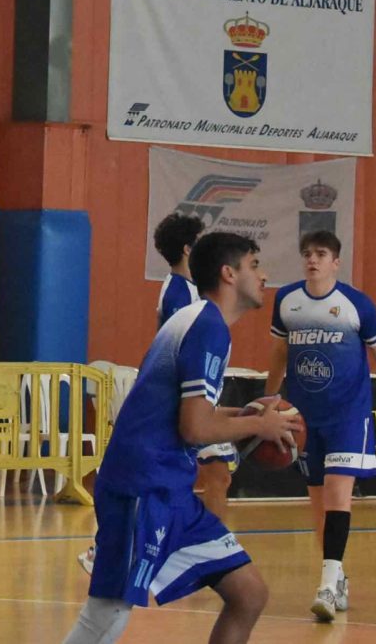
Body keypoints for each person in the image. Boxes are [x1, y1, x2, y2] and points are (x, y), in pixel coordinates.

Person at [61, 232, 298, 644]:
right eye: (254, 265)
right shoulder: (208, 328)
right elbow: (195, 429)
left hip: (169, 490)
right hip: (143, 487)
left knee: (248, 594)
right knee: (107, 614)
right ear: (229, 274)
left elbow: (186, 415)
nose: (263, 276)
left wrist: (244, 415)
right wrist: (259, 427)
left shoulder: (197, 320)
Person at [265, 231, 376, 622]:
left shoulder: (357, 304)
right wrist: (268, 401)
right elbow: (279, 352)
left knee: (337, 494)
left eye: (321, 254)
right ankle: (338, 577)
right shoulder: (287, 300)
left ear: (336, 262)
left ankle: (327, 587)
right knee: (318, 506)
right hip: (305, 416)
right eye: (307, 254)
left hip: (349, 414)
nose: (312, 260)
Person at [81, 216, 232, 576]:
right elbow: (181, 351)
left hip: (186, 400)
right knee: (212, 474)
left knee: (213, 475)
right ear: (188, 248)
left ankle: (194, 551)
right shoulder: (181, 294)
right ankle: (200, 555)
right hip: (180, 403)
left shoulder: (185, 289)